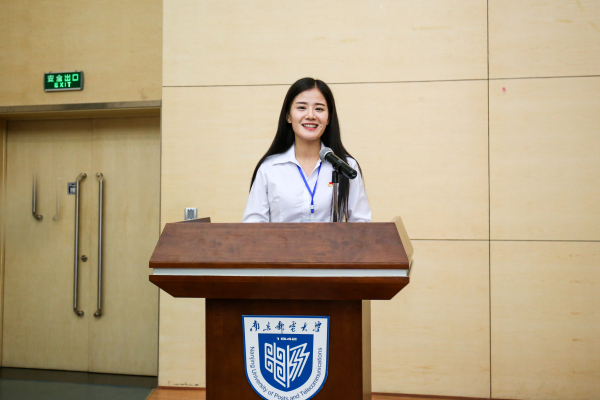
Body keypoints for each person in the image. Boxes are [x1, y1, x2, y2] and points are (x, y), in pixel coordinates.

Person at [242, 77, 371, 223]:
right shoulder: (269, 168)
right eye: (302, 107)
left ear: (328, 118)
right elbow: (253, 226)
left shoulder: (346, 167)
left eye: (319, 109)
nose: (310, 115)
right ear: (288, 116)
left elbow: (362, 224)